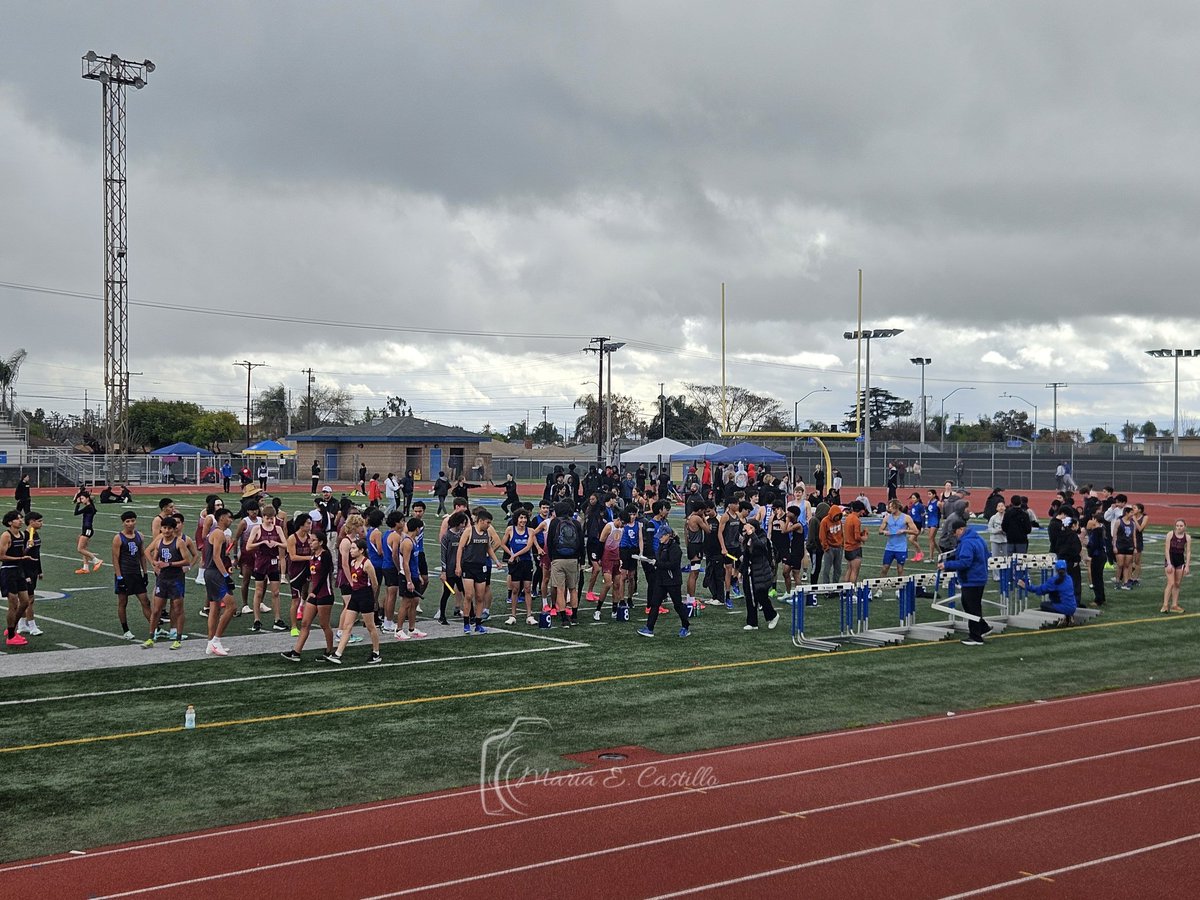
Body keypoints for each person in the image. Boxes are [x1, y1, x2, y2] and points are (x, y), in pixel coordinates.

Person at [282, 530, 337, 662]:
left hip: (324, 595)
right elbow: (307, 573)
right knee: (305, 623)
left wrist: (314, 591)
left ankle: (330, 651)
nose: (310, 542)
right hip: (315, 595)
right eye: (310, 540)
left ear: (321, 542)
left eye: (313, 540)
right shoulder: (312, 556)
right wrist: (296, 582)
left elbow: (324, 576)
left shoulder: (325, 556)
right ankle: (296, 651)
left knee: (324, 625)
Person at [143, 515, 194, 651]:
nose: (166, 531)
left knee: (178, 609)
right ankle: (151, 637)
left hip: (176, 580)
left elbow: (187, 560)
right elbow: (151, 555)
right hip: (162, 580)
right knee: (156, 610)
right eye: (164, 528)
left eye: (169, 528)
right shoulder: (159, 542)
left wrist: (169, 564)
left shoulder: (179, 542)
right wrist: (155, 564)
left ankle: (177, 638)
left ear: (173, 529)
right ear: (161, 529)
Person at [329, 539, 382, 664]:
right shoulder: (353, 563)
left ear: (361, 550)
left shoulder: (367, 564)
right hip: (355, 595)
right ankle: (338, 653)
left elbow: (375, 583)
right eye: (351, 548)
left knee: (370, 626)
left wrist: (372, 598)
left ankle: (376, 652)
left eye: (353, 548)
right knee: (347, 626)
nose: (351, 551)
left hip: (365, 596)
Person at [939, 520, 990, 645]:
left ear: (961, 530)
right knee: (971, 605)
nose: (955, 535)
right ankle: (983, 628)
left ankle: (976, 637)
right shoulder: (979, 539)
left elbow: (965, 563)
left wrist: (947, 565)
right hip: (979, 577)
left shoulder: (967, 542)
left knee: (971, 608)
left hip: (971, 579)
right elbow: (987, 555)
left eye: (955, 532)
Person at [202, 507, 238, 656]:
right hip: (215, 574)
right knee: (231, 607)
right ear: (222, 518)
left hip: (210, 573)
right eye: (229, 517)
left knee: (215, 608)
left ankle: (211, 642)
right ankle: (216, 640)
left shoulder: (215, 533)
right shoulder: (218, 533)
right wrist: (225, 576)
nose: (231, 520)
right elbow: (216, 557)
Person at [246, 504, 287, 632]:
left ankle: (277, 619)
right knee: (258, 591)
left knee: (276, 592)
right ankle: (256, 620)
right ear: (263, 517)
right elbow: (248, 546)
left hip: (273, 562)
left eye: (272, 518)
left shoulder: (278, 529)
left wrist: (277, 543)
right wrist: (262, 542)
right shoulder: (257, 529)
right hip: (261, 561)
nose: (270, 521)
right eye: (268, 518)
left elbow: (285, 544)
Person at [112, 509, 151, 640]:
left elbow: (142, 555)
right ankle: (126, 630)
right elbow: (115, 559)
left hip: (136, 574)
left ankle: (154, 627)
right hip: (124, 573)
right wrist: (119, 577)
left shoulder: (139, 535)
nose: (130, 523)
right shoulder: (118, 538)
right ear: (123, 523)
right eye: (127, 521)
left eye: (132, 521)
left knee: (145, 601)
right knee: (123, 602)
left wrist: (145, 573)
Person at [545, 502, 584, 628]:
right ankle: (575, 616)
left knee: (560, 589)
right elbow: (581, 543)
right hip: (573, 559)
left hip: (558, 559)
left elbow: (550, 542)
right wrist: (581, 560)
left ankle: (563, 619)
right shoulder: (576, 523)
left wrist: (552, 558)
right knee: (573, 589)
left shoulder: (554, 522)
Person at [738, 519, 780, 631]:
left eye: (751, 528)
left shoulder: (762, 538)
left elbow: (761, 547)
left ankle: (773, 615)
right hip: (749, 571)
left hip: (760, 571)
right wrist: (741, 571)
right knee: (749, 597)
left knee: (761, 596)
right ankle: (752, 622)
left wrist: (752, 534)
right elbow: (746, 556)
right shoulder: (747, 539)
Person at [1, 511, 32, 647]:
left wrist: (27, 549)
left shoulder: (23, 535)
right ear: (10, 522)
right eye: (17, 519)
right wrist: (21, 558)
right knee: (13, 604)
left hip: (19, 571)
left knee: (25, 602)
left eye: (21, 518)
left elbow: (21, 553)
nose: (20, 520)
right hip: (8, 572)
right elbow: (1, 556)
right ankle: (11, 636)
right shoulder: (6, 535)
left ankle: (11, 628)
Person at [1019, 559, 1077, 624]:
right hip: (1073, 607)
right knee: (1055, 597)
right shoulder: (1069, 578)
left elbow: (1040, 590)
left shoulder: (1054, 581)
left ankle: (1063, 617)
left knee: (1043, 605)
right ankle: (1069, 616)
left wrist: (1027, 587)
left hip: (1063, 607)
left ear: (1056, 570)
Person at [17, 511, 43, 636]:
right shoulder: (25, 535)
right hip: (25, 570)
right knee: (29, 600)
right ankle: (32, 626)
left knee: (26, 600)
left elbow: (37, 554)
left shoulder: (35, 534)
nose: (41, 523)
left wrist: (40, 570)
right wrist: (26, 575)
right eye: (39, 521)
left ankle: (22, 625)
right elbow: (22, 556)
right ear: (31, 522)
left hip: (33, 570)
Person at [878, 499, 915, 577]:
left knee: (900, 568)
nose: (889, 509)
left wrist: (904, 531)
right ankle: (880, 587)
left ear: (896, 507)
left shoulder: (906, 518)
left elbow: (915, 531)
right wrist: (884, 532)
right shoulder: (887, 518)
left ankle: (901, 588)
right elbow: (880, 530)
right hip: (889, 547)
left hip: (901, 548)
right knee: (885, 568)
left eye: (891, 507)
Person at [72, 486, 103, 574]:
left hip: (87, 530)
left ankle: (96, 560)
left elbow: (76, 513)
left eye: (82, 499)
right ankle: (85, 568)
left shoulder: (89, 507)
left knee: (80, 549)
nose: (81, 500)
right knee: (83, 547)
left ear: (87, 499)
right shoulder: (90, 506)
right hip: (85, 529)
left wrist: (77, 504)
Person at [1162, 519, 1191, 614]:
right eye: (1177, 525)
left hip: (1180, 561)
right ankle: (1165, 605)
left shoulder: (1187, 537)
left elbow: (1188, 552)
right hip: (1170, 560)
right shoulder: (1170, 534)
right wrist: (1169, 563)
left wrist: (1187, 566)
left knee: (1177, 583)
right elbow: (1166, 549)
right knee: (1171, 583)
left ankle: (1174, 605)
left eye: (1181, 525)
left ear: (1185, 526)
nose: (1179, 527)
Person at [842, 501, 868, 583]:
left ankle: (845, 591)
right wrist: (864, 537)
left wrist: (861, 533)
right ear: (861, 510)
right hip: (854, 548)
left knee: (849, 570)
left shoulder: (848, 517)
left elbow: (851, 533)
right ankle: (851, 591)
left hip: (847, 547)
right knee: (854, 572)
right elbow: (856, 537)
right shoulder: (856, 520)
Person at [819, 505, 845, 584]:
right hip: (830, 548)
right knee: (827, 569)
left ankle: (835, 585)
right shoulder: (825, 521)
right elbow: (822, 536)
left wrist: (842, 544)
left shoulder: (839, 521)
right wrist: (826, 547)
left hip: (838, 547)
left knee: (838, 569)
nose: (837, 517)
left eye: (839, 515)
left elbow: (841, 533)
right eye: (836, 515)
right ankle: (826, 587)